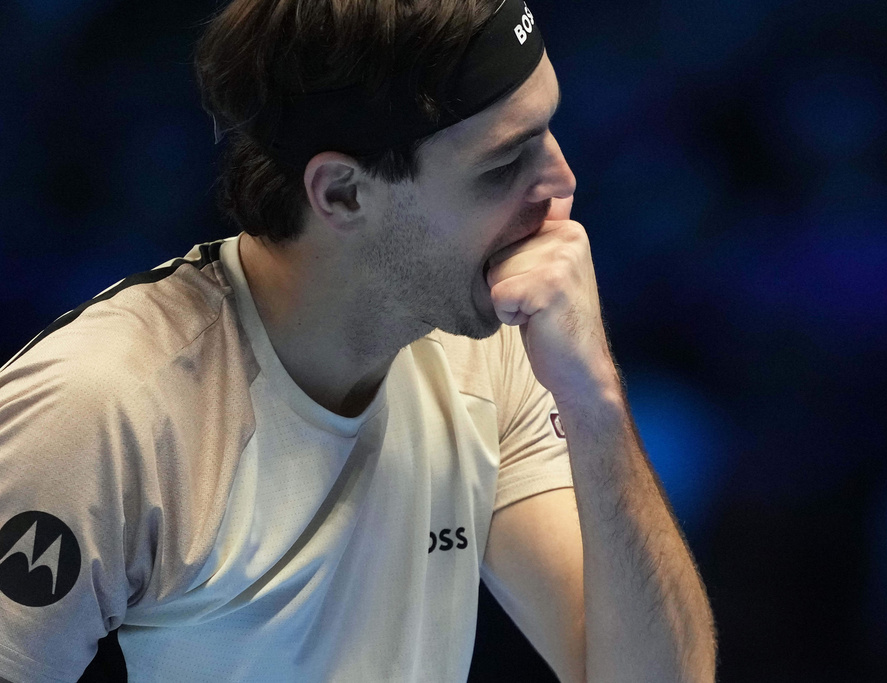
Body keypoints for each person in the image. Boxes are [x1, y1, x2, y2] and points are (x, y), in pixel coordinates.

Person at [0, 0, 716, 680]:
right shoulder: (102, 410)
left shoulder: (493, 343)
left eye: (549, 133)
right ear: (342, 192)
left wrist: (594, 396)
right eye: (504, 165)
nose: (563, 184)